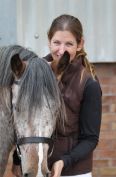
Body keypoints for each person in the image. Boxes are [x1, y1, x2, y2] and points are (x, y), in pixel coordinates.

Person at [12, 14, 102, 177]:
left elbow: (90, 139)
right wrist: (18, 160)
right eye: (56, 43)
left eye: (69, 44)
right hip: (37, 169)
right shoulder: (33, 73)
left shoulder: (89, 84)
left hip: (74, 171)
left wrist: (64, 162)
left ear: (80, 44)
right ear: (49, 41)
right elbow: (26, 121)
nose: (61, 50)